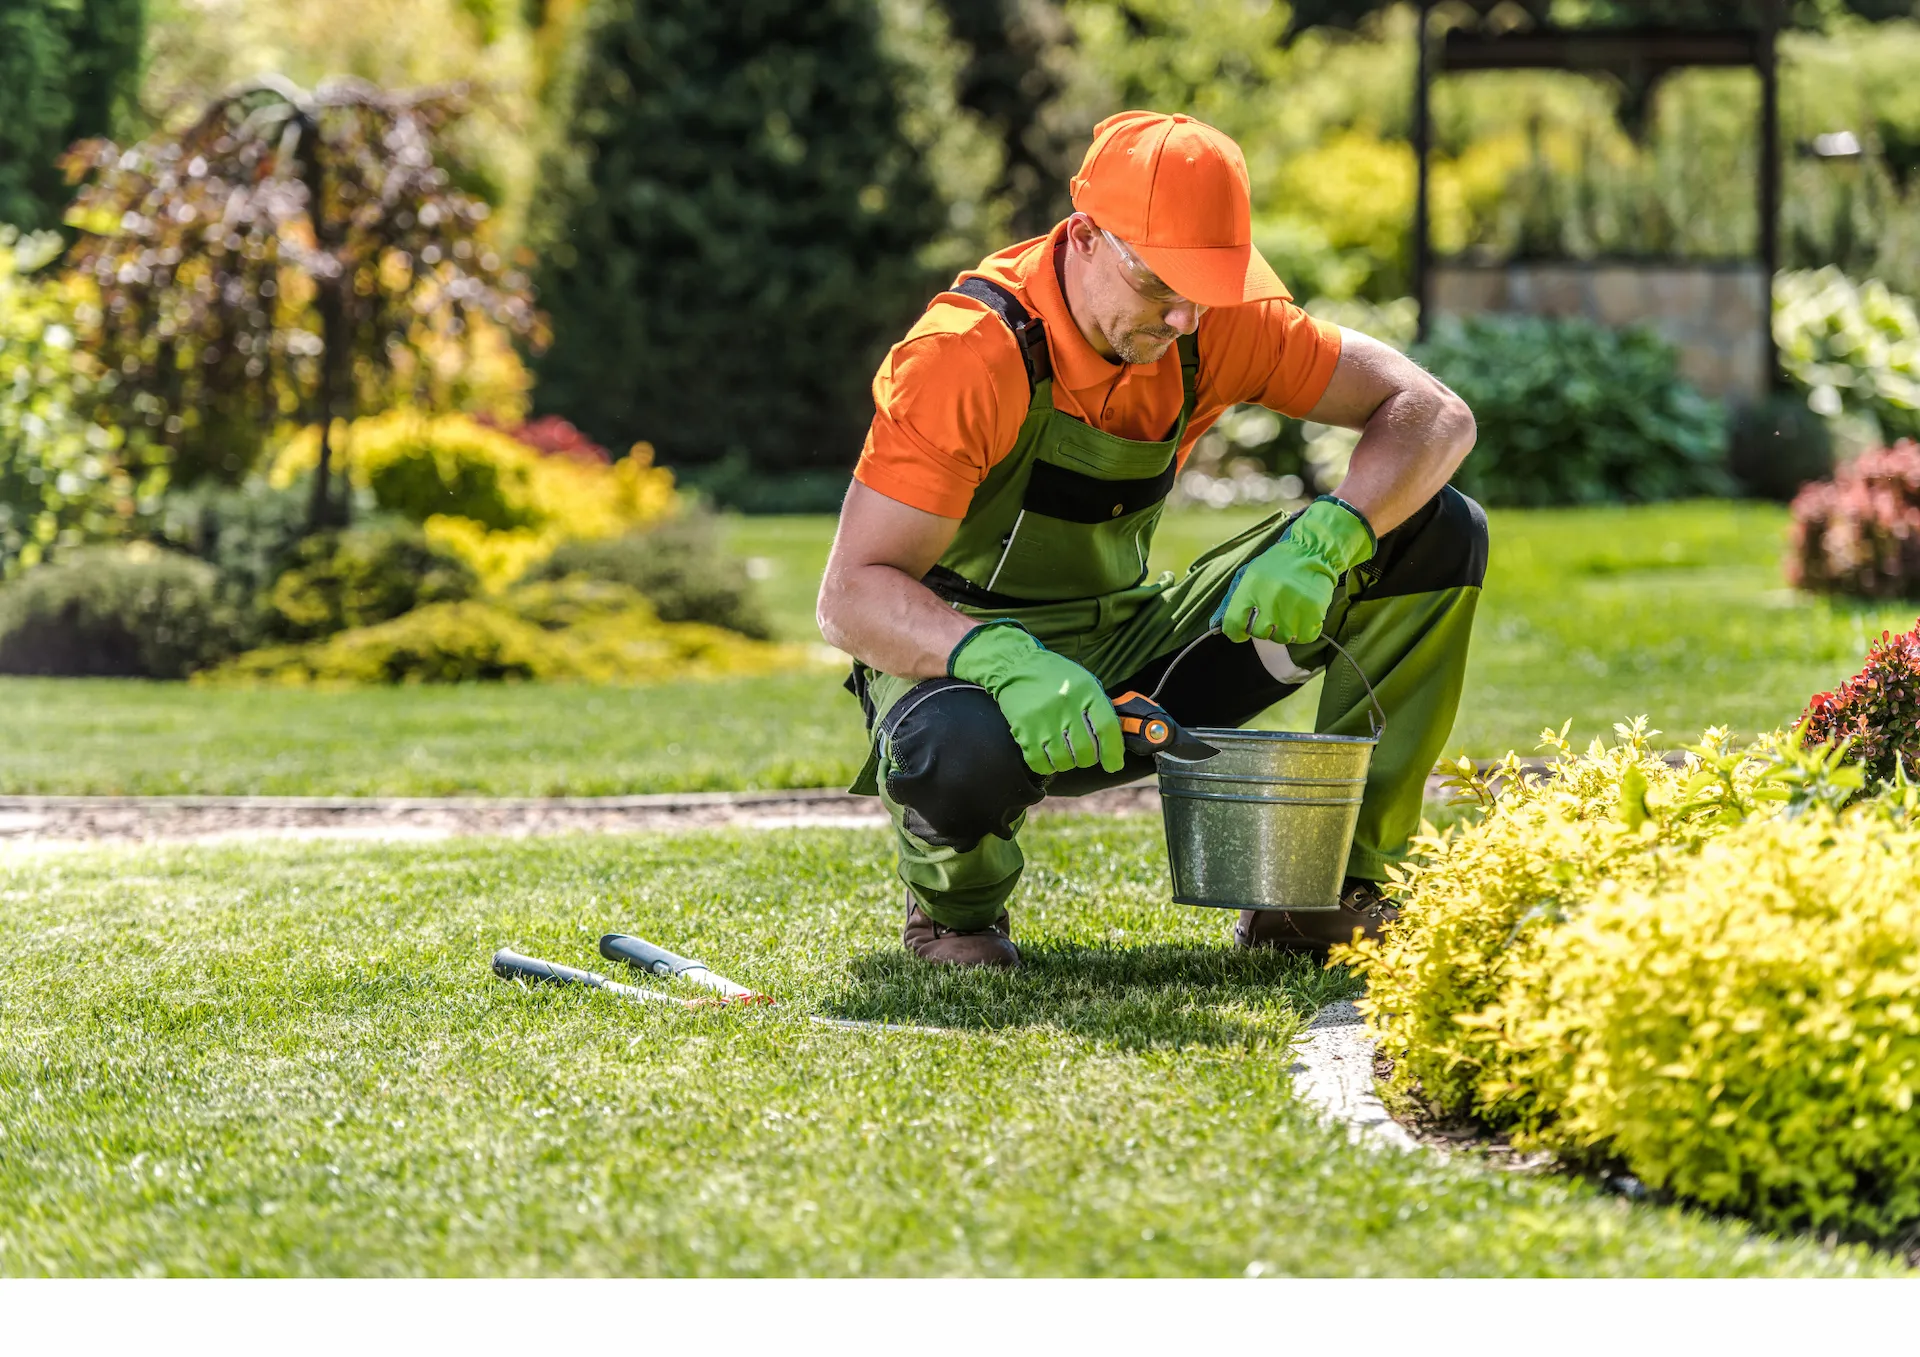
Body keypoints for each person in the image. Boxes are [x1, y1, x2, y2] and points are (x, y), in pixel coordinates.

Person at [817, 111, 1484, 968]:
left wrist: (1332, 535)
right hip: (966, 676)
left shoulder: (1209, 322)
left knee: (1436, 526)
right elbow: (852, 594)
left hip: (1137, 650)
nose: (1183, 318)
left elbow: (1434, 414)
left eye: (1204, 289)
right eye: (1161, 284)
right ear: (1087, 235)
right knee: (954, 750)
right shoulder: (967, 356)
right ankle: (957, 915)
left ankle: (1328, 895)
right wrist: (1002, 660)